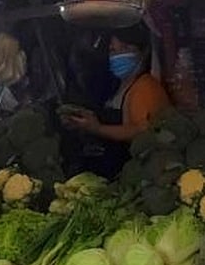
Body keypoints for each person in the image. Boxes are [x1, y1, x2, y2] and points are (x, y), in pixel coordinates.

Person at [60, 25, 172, 178]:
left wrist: (97, 128)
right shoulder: (117, 86)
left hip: (136, 175)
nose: (118, 55)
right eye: (112, 50)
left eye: (125, 48)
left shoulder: (146, 87)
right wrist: (81, 121)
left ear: (143, 52)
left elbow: (144, 131)